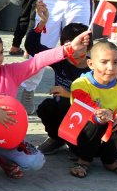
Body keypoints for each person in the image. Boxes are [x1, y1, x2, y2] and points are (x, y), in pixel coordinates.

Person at [0, 29, 88, 181]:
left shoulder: (11, 72)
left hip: (9, 137)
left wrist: (69, 48)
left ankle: (6, 159)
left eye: (1, 53)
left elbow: (38, 61)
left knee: (36, 162)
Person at [67, 40, 117, 178]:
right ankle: (84, 160)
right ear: (90, 64)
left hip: (108, 139)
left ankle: (110, 160)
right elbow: (84, 110)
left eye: (116, 62)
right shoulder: (80, 84)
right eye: (104, 62)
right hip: (82, 140)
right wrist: (99, 115)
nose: (111, 67)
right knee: (94, 122)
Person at [32, 22, 92, 155]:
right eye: (70, 46)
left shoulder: (94, 69)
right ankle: (57, 139)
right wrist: (40, 25)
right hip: (62, 112)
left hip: (85, 119)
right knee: (46, 106)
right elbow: (33, 48)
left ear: (88, 49)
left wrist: (69, 95)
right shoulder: (61, 61)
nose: (75, 52)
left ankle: (79, 143)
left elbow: (97, 103)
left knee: (65, 102)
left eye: (80, 47)